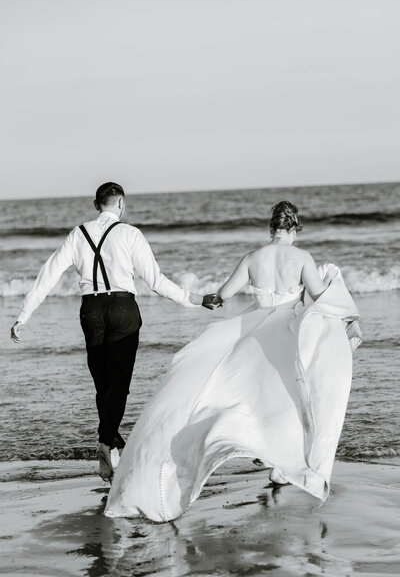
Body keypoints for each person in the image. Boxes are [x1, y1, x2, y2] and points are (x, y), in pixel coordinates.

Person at [105, 200, 362, 522]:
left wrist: (201, 300)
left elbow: (223, 296)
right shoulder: (302, 258)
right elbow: (320, 296)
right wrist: (333, 282)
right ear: (294, 229)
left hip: (252, 330)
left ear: (271, 228)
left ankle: (264, 460)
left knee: (232, 392)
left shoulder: (252, 258)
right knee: (289, 397)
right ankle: (284, 466)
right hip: (285, 333)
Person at [10, 182, 217, 481]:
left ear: (97, 206)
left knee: (103, 385)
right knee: (118, 384)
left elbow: (48, 275)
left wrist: (23, 315)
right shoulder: (131, 234)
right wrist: (195, 301)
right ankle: (106, 441)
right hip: (122, 309)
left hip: (90, 311)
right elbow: (156, 281)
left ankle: (112, 449)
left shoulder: (77, 235)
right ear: (121, 204)